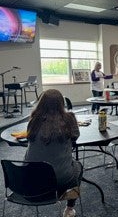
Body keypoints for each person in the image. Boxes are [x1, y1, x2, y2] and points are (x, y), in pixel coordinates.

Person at [24, 89, 82, 217]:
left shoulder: (34, 119)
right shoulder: (69, 118)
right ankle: (69, 208)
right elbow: (75, 136)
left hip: (29, 179)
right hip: (60, 180)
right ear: (61, 103)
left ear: (41, 103)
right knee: (78, 166)